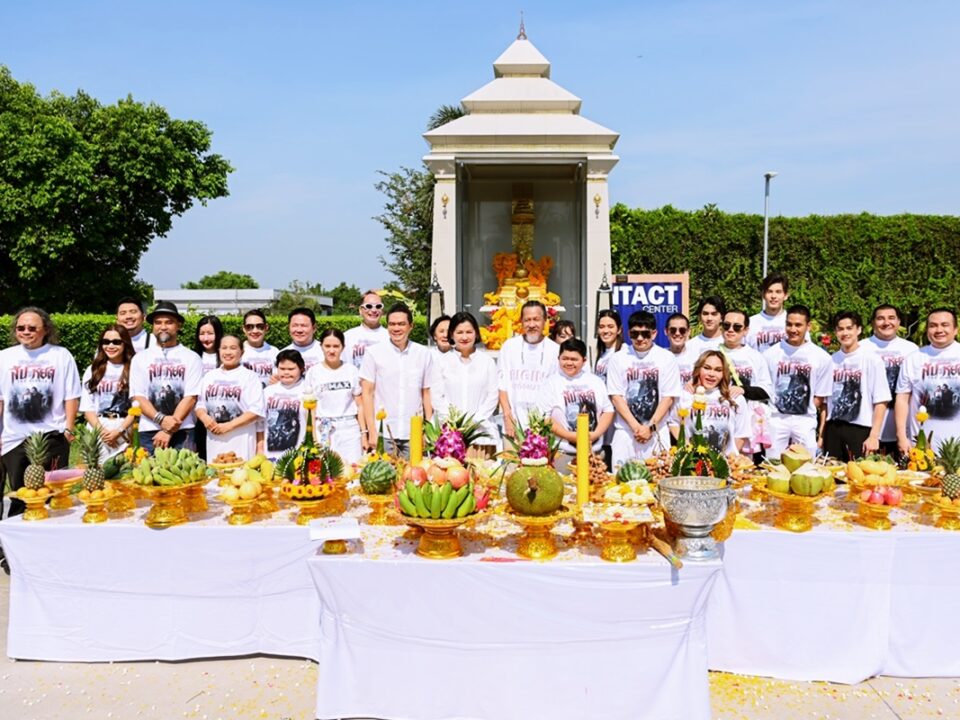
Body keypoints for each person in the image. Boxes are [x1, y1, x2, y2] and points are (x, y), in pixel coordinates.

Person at [0, 308, 81, 519]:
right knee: (21, 496)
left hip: (51, 437)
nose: (26, 331)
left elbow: (71, 395)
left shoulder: (60, 355)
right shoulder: (5, 357)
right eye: (21, 328)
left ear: (45, 329)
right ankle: (16, 548)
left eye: (32, 328)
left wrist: (68, 429)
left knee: (52, 495)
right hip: (14, 439)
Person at [359, 303, 435, 457]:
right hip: (384, 432)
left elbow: (426, 393)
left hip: (414, 432)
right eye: (392, 324)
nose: (396, 328)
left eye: (401, 324)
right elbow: (367, 393)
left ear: (410, 326)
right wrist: (372, 431)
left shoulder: (423, 354)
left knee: (414, 479)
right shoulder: (374, 353)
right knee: (382, 478)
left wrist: (429, 429)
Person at [606, 310, 681, 465]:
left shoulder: (667, 358)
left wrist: (650, 428)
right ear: (628, 334)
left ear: (654, 334)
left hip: (657, 432)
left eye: (645, 334)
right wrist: (636, 428)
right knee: (621, 484)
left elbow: (668, 398)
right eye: (635, 334)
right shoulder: (617, 358)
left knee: (658, 482)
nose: (640, 338)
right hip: (626, 433)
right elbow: (616, 397)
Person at [129, 301, 203, 452]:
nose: (163, 327)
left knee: (184, 475)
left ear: (178, 325)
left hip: (184, 430)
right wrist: (161, 420)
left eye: (169, 322)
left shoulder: (192, 357)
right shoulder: (140, 358)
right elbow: (138, 397)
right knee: (148, 475)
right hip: (149, 430)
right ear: (153, 326)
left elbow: (191, 397)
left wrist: (169, 430)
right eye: (158, 323)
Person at [762, 305, 832, 457]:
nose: (793, 329)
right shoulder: (770, 354)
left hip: (805, 420)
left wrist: (803, 409)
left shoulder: (822, 357)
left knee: (807, 467)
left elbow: (820, 394)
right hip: (776, 419)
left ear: (809, 326)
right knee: (773, 466)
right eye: (789, 324)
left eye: (798, 325)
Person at [821, 311, 890, 460]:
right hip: (833, 428)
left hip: (860, 429)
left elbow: (881, 401)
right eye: (840, 329)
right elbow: (825, 403)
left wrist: (874, 436)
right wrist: (821, 435)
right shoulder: (831, 361)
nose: (845, 333)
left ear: (858, 330)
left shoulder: (872, 360)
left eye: (849, 328)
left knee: (859, 479)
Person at [433, 312, 500, 454]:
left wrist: (475, 421)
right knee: (450, 473)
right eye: (459, 332)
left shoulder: (487, 362)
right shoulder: (442, 362)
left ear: (476, 333)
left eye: (469, 332)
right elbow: (437, 396)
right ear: (451, 335)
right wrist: (452, 422)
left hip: (482, 432)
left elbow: (493, 396)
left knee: (483, 473)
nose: (464, 337)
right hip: (450, 433)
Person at [542, 338, 614, 470]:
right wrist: (570, 436)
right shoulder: (550, 383)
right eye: (565, 358)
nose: (569, 363)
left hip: (595, 455)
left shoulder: (595, 382)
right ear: (558, 358)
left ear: (584, 360)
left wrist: (596, 434)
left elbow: (608, 410)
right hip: (564, 455)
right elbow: (545, 418)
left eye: (574, 359)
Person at [896, 308, 960, 453]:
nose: (939, 330)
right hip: (920, 446)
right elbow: (902, 398)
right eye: (933, 325)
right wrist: (901, 436)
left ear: (955, 330)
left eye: (945, 325)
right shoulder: (914, 358)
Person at [195, 335, 265, 462]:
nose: (228, 352)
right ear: (219, 351)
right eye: (224, 348)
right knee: (216, 477)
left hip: (241, 439)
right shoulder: (209, 376)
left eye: (233, 348)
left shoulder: (250, 377)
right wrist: (205, 418)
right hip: (214, 439)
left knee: (240, 477)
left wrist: (228, 426)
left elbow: (255, 411)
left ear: (241, 352)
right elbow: (200, 404)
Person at [498, 301, 560, 438]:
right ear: (521, 322)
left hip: (544, 429)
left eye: (536, 319)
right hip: (513, 427)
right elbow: (502, 386)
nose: (532, 325)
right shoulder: (509, 347)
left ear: (545, 321)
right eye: (527, 320)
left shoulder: (555, 351)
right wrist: (507, 417)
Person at [669, 350, 750, 455]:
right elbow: (674, 423)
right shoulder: (685, 395)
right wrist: (689, 450)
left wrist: (725, 461)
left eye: (718, 370)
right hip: (692, 461)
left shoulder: (735, 398)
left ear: (724, 373)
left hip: (724, 464)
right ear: (698, 369)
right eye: (707, 368)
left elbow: (741, 434)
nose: (711, 374)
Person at [863, 304, 918, 456]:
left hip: (902, 432)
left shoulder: (912, 349)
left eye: (891, 318)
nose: (886, 322)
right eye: (880, 318)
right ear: (873, 322)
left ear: (899, 322)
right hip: (869, 431)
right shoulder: (862, 348)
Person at [306, 328, 364, 465]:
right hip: (324, 430)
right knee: (325, 473)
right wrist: (313, 435)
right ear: (321, 346)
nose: (331, 350)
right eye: (327, 346)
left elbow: (360, 404)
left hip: (349, 430)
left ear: (343, 347)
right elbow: (310, 408)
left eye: (336, 346)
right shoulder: (313, 372)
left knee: (352, 471)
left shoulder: (352, 371)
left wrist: (364, 433)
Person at [80, 324, 136, 461]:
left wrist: (119, 431)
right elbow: (88, 407)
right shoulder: (93, 370)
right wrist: (102, 432)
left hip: (124, 426)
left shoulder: (134, 369)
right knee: (95, 473)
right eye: (106, 342)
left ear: (125, 344)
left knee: (125, 475)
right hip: (98, 427)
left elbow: (137, 406)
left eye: (116, 342)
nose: (110, 346)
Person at [260, 350, 308, 460]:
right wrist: (260, 448)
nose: (286, 372)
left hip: (299, 454)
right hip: (271, 455)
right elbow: (260, 423)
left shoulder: (308, 390)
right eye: (282, 369)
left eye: (291, 369)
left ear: (301, 368)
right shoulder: (267, 392)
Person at [192, 315, 223, 460]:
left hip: (222, 414)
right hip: (198, 415)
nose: (206, 338)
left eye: (210, 333)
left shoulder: (226, 356)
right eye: (202, 333)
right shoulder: (193, 357)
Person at [747, 272, 797, 353]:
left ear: (786, 295)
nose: (773, 296)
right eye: (769, 291)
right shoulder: (750, 322)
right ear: (763, 295)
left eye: (778, 292)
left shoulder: (795, 322)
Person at [343, 290, 388, 369]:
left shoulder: (390, 337)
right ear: (360, 310)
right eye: (369, 306)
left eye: (378, 306)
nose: (374, 310)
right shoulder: (347, 337)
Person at [240, 309, 278, 386]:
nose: (255, 331)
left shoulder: (275, 352)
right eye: (249, 327)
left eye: (260, 326)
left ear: (266, 327)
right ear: (244, 329)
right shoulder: (237, 352)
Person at [284, 307, 324, 372]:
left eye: (304, 325)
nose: (299, 330)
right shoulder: (283, 354)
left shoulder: (325, 351)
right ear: (289, 327)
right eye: (295, 325)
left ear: (314, 328)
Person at [665, 312, 697, 386]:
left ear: (688, 332)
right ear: (666, 331)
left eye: (682, 330)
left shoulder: (697, 357)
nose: (677, 333)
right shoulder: (660, 357)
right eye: (673, 330)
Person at [594, 309, 624, 383]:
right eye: (601, 327)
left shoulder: (624, 352)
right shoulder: (602, 354)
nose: (606, 331)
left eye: (610, 327)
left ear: (619, 330)